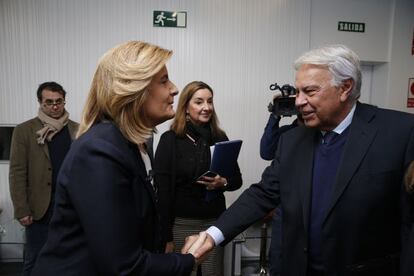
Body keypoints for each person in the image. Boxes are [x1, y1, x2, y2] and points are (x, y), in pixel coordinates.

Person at [183, 44, 414, 276]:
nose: (299, 101)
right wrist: (212, 236)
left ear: (345, 88)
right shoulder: (292, 140)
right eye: (298, 91)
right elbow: (263, 194)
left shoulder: (401, 133)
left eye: (310, 91)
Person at [31, 41, 195, 276]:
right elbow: (124, 267)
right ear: (132, 89)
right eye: (163, 80)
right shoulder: (99, 151)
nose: (175, 89)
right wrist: (189, 260)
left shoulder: (132, 143)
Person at [154, 81, 242, 276]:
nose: (206, 107)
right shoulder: (170, 140)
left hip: (215, 224)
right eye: (199, 102)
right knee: (183, 272)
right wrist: (166, 236)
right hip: (182, 223)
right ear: (185, 106)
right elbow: (163, 192)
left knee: (213, 273)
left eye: (210, 102)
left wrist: (223, 183)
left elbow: (237, 180)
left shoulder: (220, 137)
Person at [9, 81, 78, 275]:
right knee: (35, 258)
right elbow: (17, 172)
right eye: (49, 102)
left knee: (69, 257)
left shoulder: (77, 130)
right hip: (39, 208)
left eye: (59, 101)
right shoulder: (24, 131)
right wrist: (22, 209)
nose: (55, 106)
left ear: (64, 101)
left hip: (70, 206)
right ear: (40, 102)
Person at [260, 109, 302, 276]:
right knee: (278, 262)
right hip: (284, 209)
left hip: (310, 210)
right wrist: (275, 115)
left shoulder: (323, 135)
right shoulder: (287, 134)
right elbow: (266, 152)